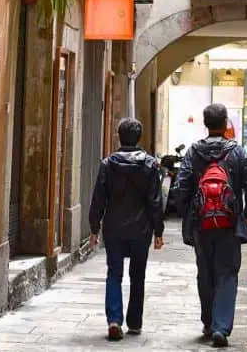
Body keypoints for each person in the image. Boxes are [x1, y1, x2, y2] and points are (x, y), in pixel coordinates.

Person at [176, 103, 247, 348]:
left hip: (201, 222)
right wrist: (245, 214)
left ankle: (208, 321)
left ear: (206, 124)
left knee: (205, 272)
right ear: (225, 124)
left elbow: (182, 186)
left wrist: (188, 215)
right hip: (229, 222)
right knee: (227, 273)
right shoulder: (237, 152)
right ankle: (221, 327)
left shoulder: (193, 152)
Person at [88, 118, 165, 341]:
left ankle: (114, 319)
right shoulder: (150, 165)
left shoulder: (108, 164)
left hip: (114, 228)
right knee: (137, 274)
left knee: (114, 272)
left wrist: (94, 227)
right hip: (141, 230)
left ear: (119, 136)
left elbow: (98, 199)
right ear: (138, 137)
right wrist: (158, 231)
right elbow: (155, 202)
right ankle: (134, 322)